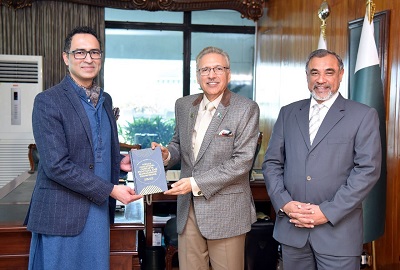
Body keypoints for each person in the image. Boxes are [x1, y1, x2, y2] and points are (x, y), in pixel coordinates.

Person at [24, 26, 142, 270]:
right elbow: (56, 166)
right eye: (80, 53)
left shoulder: (105, 99)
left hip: (97, 212)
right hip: (61, 213)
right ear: (66, 58)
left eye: (95, 53)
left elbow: (93, 148)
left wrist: (118, 162)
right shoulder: (48, 101)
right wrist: (111, 189)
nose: (88, 59)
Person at [262, 49, 382, 270]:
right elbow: (272, 164)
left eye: (329, 72)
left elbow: (367, 170)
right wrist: (285, 204)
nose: (321, 80)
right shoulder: (288, 113)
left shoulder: (363, 115)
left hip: (338, 235)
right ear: (307, 76)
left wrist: (327, 212)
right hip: (292, 230)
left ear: (341, 74)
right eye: (314, 72)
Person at [152, 46, 260, 270]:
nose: (211, 75)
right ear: (198, 75)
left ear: (228, 74)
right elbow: (179, 145)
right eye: (205, 69)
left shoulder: (246, 108)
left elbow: (242, 161)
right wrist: (166, 154)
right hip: (188, 209)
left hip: (226, 211)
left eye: (218, 68)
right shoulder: (183, 105)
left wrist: (195, 183)